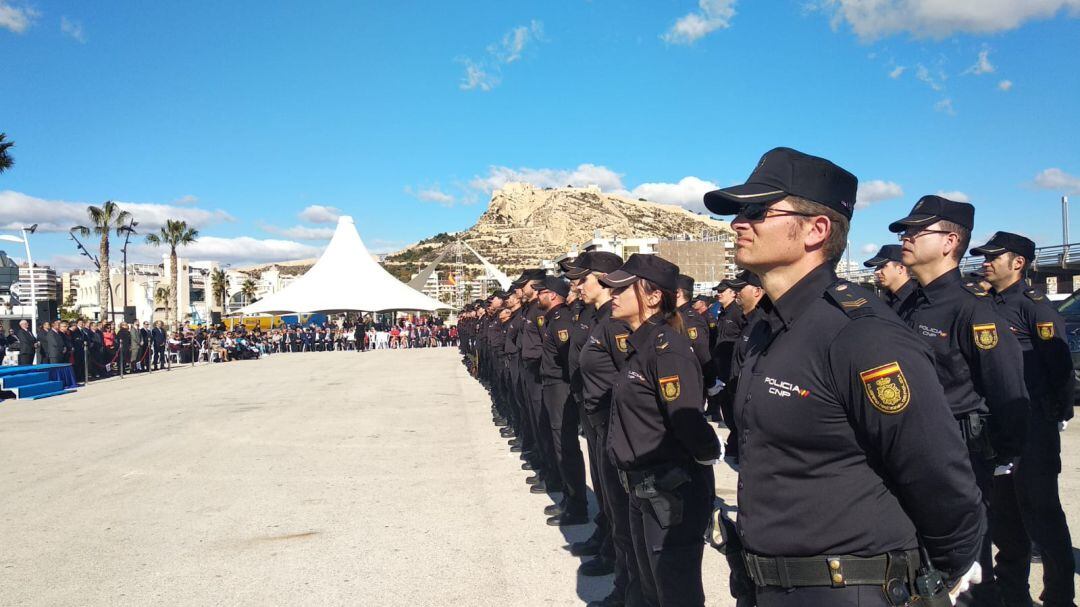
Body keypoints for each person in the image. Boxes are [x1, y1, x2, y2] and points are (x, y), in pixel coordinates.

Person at [704, 146, 984, 606]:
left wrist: (946, 574)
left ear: (817, 230)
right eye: (739, 211)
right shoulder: (766, 327)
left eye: (757, 211)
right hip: (768, 584)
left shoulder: (859, 335)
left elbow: (938, 472)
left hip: (844, 589)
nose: (739, 223)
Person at [888, 195, 1030, 605]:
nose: (906, 238)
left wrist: (1007, 452)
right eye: (905, 230)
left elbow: (1006, 386)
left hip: (960, 451)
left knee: (965, 563)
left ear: (950, 241)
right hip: (909, 447)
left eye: (917, 231)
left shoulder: (972, 310)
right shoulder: (909, 303)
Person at [602, 253, 720, 607]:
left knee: (673, 590)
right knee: (650, 587)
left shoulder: (668, 349)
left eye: (622, 288)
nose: (613, 294)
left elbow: (687, 422)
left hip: (669, 491)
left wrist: (704, 458)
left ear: (653, 297)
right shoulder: (640, 345)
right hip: (643, 487)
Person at [972, 231, 1076, 607]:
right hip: (999, 425)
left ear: (1017, 263)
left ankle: (1060, 597)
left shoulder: (1035, 308)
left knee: (1042, 515)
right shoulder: (984, 304)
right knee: (1005, 519)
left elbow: (1060, 368)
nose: (984, 261)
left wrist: (1058, 412)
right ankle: (1012, 594)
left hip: (1034, 424)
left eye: (992, 256)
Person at [574, 250, 639, 607]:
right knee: (612, 504)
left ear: (601, 277)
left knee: (622, 510)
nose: (577, 286)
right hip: (600, 422)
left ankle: (626, 586)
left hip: (614, 426)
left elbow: (624, 379)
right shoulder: (599, 318)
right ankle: (619, 571)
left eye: (582, 279)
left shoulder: (614, 324)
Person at [536, 275, 590, 526]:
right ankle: (571, 499)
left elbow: (570, 361)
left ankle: (577, 505)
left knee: (565, 447)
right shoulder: (554, 320)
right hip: (553, 386)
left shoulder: (562, 322)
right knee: (559, 445)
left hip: (561, 389)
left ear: (553, 295)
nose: (538, 296)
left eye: (542, 292)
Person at [863, 244, 918, 316]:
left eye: (882, 266)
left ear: (901, 268)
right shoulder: (886, 298)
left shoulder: (917, 299)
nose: (876, 271)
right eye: (876, 267)